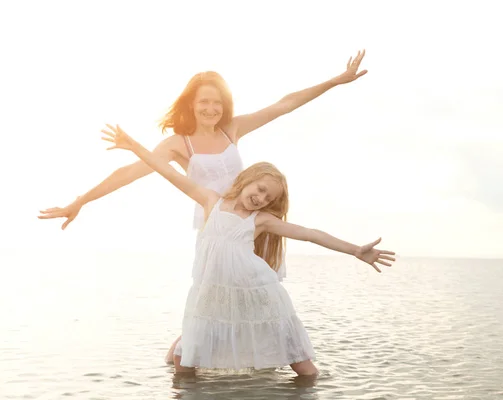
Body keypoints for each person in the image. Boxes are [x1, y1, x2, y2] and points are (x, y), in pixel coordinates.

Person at [38, 50, 368, 362]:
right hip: (215, 227)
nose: (211, 108)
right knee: (214, 302)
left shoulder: (231, 129)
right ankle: (186, 357)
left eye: (217, 102)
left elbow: (284, 105)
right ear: (191, 105)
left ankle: (258, 359)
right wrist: (80, 201)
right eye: (203, 102)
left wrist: (335, 81)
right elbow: (129, 173)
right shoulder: (177, 144)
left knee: (256, 298)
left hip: (253, 222)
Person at [101, 124, 396, 376]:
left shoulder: (261, 220)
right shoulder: (210, 201)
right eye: (259, 188)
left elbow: (309, 234)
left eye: (268, 197)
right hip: (213, 294)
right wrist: (133, 146)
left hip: (257, 292)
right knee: (183, 364)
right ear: (245, 181)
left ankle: (310, 388)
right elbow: (166, 171)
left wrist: (356, 250)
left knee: (301, 364)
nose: (260, 197)